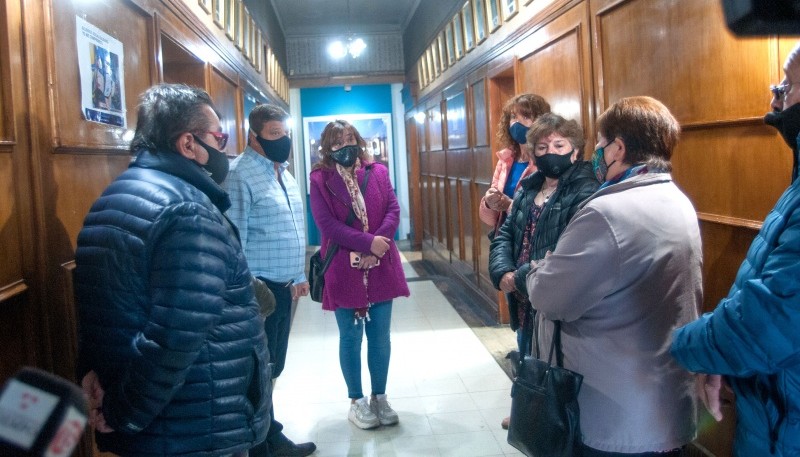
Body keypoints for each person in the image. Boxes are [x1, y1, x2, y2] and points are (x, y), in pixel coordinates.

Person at [75, 83, 270, 457]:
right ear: (187, 144)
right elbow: (174, 337)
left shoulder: (111, 197)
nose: (223, 148)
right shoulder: (189, 211)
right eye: (219, 136)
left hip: (151, 420)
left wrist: (106, 396)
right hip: (195, 422)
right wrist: (122, 413)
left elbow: (101, 318)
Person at [525, 96, 702, 456]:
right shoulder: (678, 200)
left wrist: (538, 267)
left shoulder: (607, 213)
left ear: (619, 148)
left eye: (602, 144)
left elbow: (548, 296)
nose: (598, 153)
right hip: (664, 400)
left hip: (614, 413)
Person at [670, 42, 800, 457]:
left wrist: (685, 349)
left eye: (788, 85)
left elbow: (769, 319)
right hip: (773, 414)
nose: (776, 97)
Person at [489, 113, 598, 430]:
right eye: (542, 145)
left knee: (555, 362)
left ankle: (552, 423)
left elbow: (569, 252)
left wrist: (518, 276)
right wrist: (501, 271)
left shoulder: (585, 191)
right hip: (523, 297)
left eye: (559, 144)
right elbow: (506, 233)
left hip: (552, 296)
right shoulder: (527, 188)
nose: (550, 151)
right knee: (527, 354)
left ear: (575, 150)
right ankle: (528, 410)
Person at [223, 104, 316, 457]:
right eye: (274, 135)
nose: (283, 140)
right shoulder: (240, 175)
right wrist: (247, 292)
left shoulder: (284, 173)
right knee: (257, 371)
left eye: (285, 133)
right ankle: (261, 444)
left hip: (282, 287)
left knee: (272, 366)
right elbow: (235, 240)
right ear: (254, 136)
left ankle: (269, 433)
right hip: (257, 291)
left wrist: (297, 275)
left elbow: (290, 228)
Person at [308, 120, 409, 430]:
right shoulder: (319, 179)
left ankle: (380, 396)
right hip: (343, 267)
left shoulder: (376, 172)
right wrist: (368, 242)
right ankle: (357, 400)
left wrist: (379, 245)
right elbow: (327, 225)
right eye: (337, 142)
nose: (345, 147)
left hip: (380, 265)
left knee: (380, 337)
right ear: (327, 147)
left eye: (349, 139)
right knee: (350, 338)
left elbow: (393, 208)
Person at [479, 93, 551, 236]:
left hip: (531, 241)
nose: (517, 123)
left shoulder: (547, 159)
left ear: (540, 121)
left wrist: (510, 205)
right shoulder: (505, 159)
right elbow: (491, 219)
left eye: (525, 117)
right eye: (513, 117)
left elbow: (545, 212)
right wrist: (489, 202)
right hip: (504, 237)